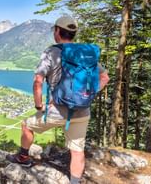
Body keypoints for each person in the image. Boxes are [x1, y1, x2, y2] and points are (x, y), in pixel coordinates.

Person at [6, 15, 109, 184]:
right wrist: (88, 94)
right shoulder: (84, 55)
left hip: (58, 111)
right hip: (82, 111)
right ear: (73, 34)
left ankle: (23, 157)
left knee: (26, 125)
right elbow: (105, 77)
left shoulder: (52, 52)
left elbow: (38, 82)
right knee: (77, 151)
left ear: (57, 31)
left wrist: (39, 106)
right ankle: (74, 182)